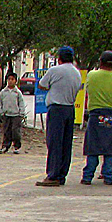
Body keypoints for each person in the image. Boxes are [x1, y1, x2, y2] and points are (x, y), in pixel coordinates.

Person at [35, 46, 82, 187]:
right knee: (66, 143)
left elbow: (42, 85)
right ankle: (62, 174)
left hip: (56, 108)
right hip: (70, 108)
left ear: (59, 58)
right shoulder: (77, 73)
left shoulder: (55, 70)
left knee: (54, 142)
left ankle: (53, 174)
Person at [81, 51, 112, 186]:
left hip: (95, 115)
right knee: (110, 146)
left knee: (93, 146)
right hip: (111, 116)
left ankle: (88, 176)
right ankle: (108, 175)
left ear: (100, 62)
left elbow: (88, 89)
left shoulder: (92, 75)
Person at [0, 72, 26, 154]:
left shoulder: (17, 92)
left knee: (15, 131)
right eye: (9, 79)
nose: (10, 81)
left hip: (16, 115)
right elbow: (0, 103)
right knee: (6, 131)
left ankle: (17, 146)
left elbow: (21, 103)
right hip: (6, 115)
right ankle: (5, 146)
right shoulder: (3, 92)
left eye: (12, 79)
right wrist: (1, 111)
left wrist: (21, 113)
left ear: (16, 81)